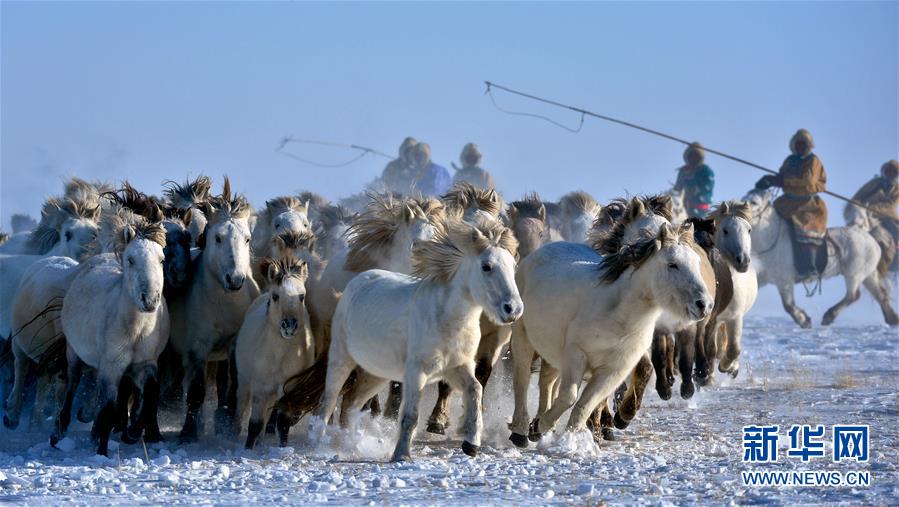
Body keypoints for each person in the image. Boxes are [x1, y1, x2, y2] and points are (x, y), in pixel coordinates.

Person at [755, 129, 828, 280]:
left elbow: (808, 183)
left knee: (803, 230)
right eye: (798, 144)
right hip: (787, 201)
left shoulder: (813, 160)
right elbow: (781, 176)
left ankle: (810, 266)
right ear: (794, 145)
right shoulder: (790, 160)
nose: (800, 147)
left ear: (808, 145)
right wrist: (770, 180)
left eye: (803, 144)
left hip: (807, 204)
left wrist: (784, 181)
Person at [851, 159, 899, 271]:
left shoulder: (897, 189)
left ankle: (895, 254)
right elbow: (859, 195)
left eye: (893, 172)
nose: (890, 174)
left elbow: (891, 205)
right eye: (889, 171)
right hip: (866, 212)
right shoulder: (875, 183)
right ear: (884, 171)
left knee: (896, 230)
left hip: (886, 215)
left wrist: (875, 208)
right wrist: (858, 206)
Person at [674, 142, 715, 218]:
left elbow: (708, 186)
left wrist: (694, 189)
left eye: (696, 155)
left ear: (700, 157)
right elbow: (677, 189)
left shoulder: (706, 171)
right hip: (682, 208)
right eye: (691, 156)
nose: (693, 158)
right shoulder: (683, 171)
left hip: (701, 209)